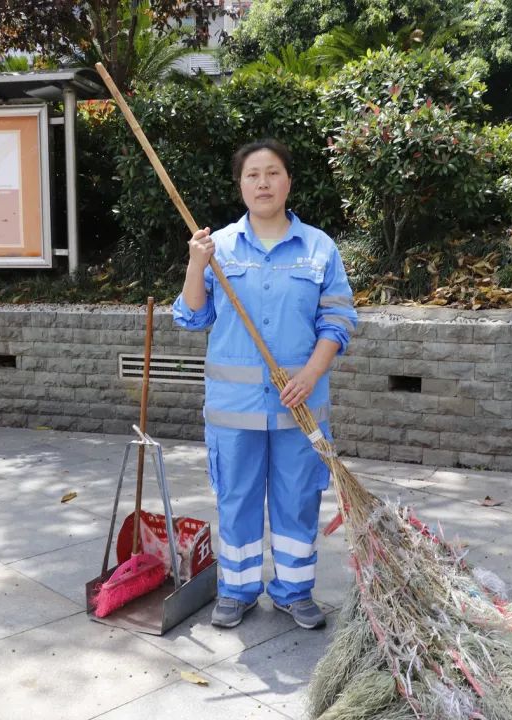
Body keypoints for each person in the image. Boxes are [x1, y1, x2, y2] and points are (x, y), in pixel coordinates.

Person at [172, 139, 357, 630]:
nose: (263, 183)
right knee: (236, 498)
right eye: (253, 175)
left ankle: (295, 591)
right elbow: (192, 317)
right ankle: (237, 589)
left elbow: (338, 320)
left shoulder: (319, 248)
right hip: (234, 409)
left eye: (273, 173)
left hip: (301, 405)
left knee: (298, 499)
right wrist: (195, 262)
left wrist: (311, 374)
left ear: (288, 181)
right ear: (240, 185)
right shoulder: (219, 249)